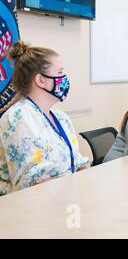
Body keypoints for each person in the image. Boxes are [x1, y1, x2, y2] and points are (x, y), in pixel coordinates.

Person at [0, 41, 90, 196]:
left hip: (62, 200)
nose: (64, 79)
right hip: (27, 211)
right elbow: (31, 184)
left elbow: (77, 163)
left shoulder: (61, 117)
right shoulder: (17, 119)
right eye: (60, 73)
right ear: (41, 80)